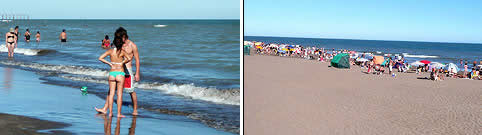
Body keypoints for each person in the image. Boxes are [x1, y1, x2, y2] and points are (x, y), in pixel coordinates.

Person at [96, 27, 141, 116]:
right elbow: (112, 52)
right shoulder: (119, 44)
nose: (119, 39)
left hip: (127, 71)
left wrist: (137, 73)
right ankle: (105, 108)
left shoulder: (133, 45)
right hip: (118, 71)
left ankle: (135, 109)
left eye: (120, 37)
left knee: (131, 91)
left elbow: (137, 60)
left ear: (124, 36)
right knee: (111, 91)